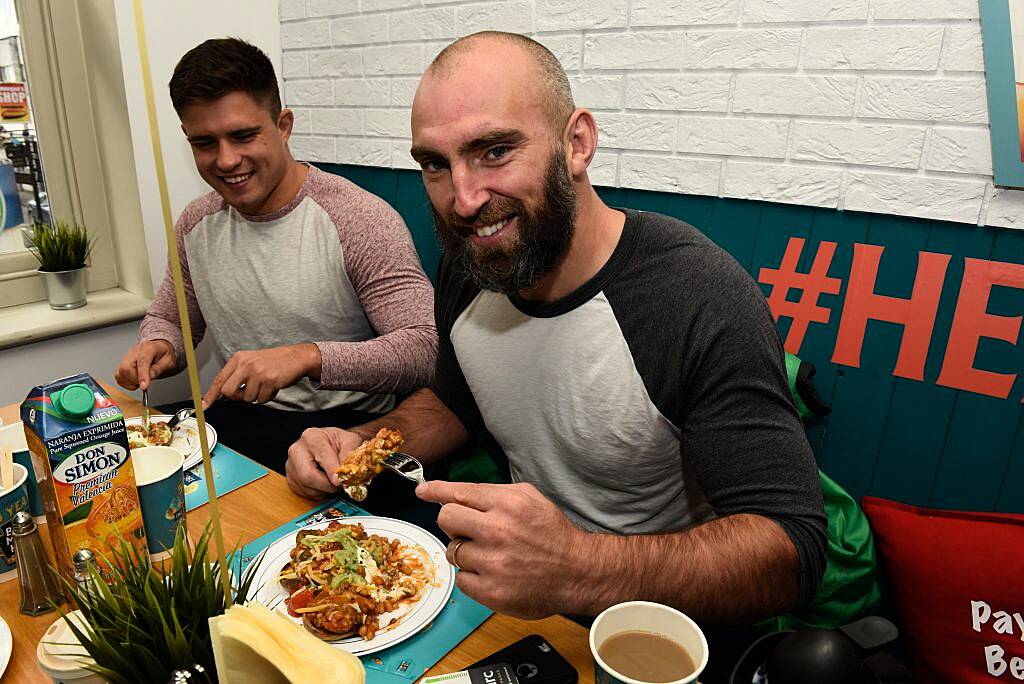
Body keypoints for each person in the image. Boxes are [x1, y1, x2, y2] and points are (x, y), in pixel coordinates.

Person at [286, 30, 826, 641]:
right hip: (506, 599)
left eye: (494, 151)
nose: (463, 200)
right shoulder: (473, 262)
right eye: (436, 164)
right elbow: (455, 404)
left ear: (576, 143)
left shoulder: (697, 295)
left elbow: (793, 550)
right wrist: (358, 444)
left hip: (654, 633)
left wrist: (576, 567)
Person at [114, 38, 437, 472]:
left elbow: (425, 348)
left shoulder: (358, 218)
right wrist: (157, 344)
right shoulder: (195, 223)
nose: (226, 160)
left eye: (243, 135)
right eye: (205, 142)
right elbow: (173, 321)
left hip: (345, 431)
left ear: (283, 125)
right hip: (239, 421)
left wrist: (306, 357)